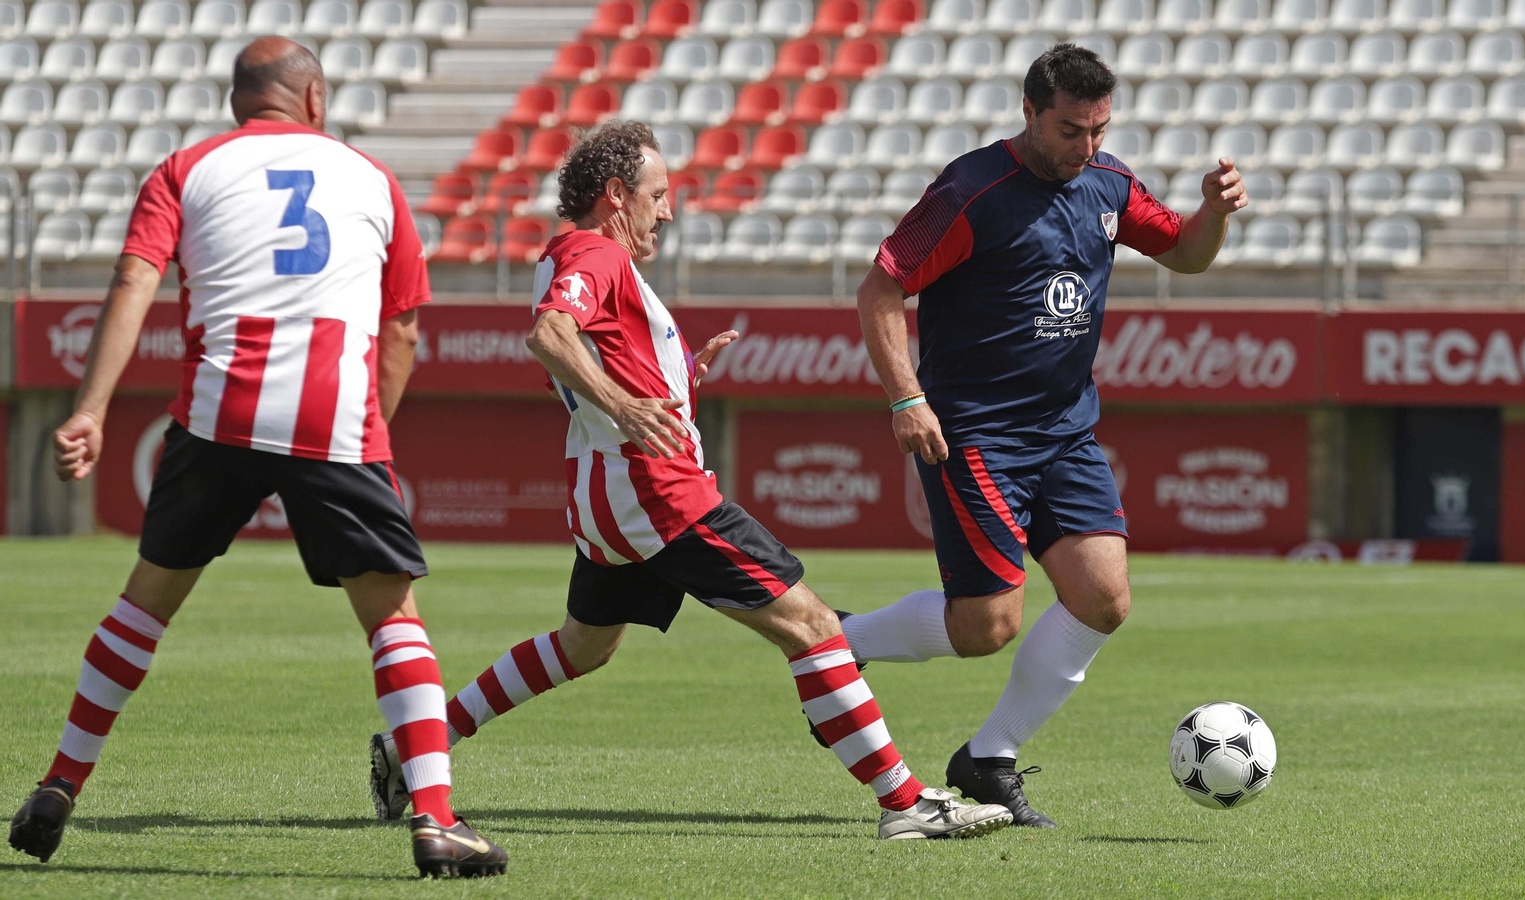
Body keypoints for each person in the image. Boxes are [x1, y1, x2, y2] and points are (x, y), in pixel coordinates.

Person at [367, 120, 1013, 841]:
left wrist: (674, 380)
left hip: (610, 490)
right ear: (616, 194)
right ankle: (904, 803)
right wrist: (624, 402)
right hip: (658, 492)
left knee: (585, 646)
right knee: (815, 628)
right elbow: (550, 336)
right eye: (658, 194)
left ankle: (411, 747)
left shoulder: (572, 256)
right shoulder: (594, 251)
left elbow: (587, 355)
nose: (667, 210)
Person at [6, 39, 506, 878]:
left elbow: (133, 282)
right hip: (332, 419)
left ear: (241, 102)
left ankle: (60, 782)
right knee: (392, 616)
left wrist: (90, 410)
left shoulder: (185, 169)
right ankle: (435, 818)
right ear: (313, 97)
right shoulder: (373, 179)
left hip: (217, 413)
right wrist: (367, 439)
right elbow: (404, 330)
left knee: (143, 607)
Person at [844, 42, 1249, 827]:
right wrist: (906, 398)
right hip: (976, 435)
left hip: (1066, 432)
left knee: (1103, 600)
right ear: (1029, 113)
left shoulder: (1108, 181)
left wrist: (1216, 214)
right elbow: (880, 288)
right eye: (1069, 129)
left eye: (1098, 129)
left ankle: (989, 757)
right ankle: (836, 641)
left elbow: (1186, 256)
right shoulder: (971, 190)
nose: (1086, 146)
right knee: (986, 627)